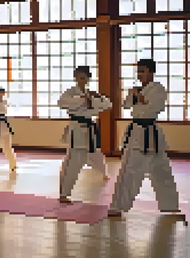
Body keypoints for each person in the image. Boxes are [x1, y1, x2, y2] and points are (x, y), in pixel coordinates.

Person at [108, 59, 181, 218]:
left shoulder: (158, 89)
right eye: (138, 71)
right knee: (130, 170)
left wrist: (137, 96)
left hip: (152, 132)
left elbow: (155, 107)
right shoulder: (137, 89)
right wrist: (134, 94)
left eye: (143, 71)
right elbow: (126, 106)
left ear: (152, 72)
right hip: (136, 133)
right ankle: (118, 206)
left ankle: (170, 205)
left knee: (162, 170)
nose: (140, 74)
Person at [57, 66, 111, 204]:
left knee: (96, 155)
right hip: (77, 129)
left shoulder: (91, 94)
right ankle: (64, 194)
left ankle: (104, 173)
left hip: (90, 128)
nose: (82, 80)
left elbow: (107, 105)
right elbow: (62, 103)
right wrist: (83, 99)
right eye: (80, 77)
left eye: (85, 77)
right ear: (75, 78)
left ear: (88, 79)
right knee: (74, 160)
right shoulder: (70, 93)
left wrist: (97, 97)